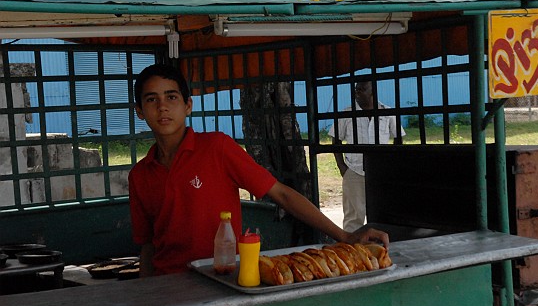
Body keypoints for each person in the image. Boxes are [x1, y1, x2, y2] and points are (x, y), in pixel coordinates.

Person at [128, 64, 389, 277]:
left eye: (171, 97)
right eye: (152, 99)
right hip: (166, 284)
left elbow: (281, 194)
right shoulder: (139, 176)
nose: (162, 106)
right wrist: (146, 293)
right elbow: (148, 246)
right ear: (140, 110)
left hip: (223, 278)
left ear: (188, 105)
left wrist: (344, 236)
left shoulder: (217, 147)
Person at [328, 81, 405, 232]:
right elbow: (335, 140)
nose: (357, 92)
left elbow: (398, 138)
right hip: (354, 170)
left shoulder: (387, 112)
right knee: (353, 217)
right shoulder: (347, 113)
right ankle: (352, 249)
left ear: (372, 91)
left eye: (362, 89)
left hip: (380, 171)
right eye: (356, 89)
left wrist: (392, 162)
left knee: (381, 212)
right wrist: (342, 167)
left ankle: (379, 246)